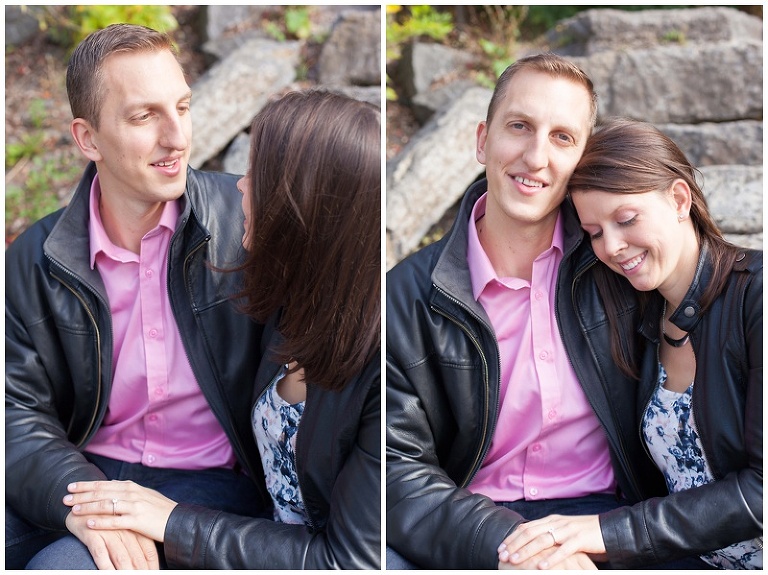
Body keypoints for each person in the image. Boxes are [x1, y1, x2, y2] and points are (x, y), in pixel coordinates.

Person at [385, 52, 707, 570]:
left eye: (563, 137)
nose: (536, 157)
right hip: (469, 525)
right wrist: (515, 547)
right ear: (481, 140)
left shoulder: (620, 267)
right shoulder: (406, 296)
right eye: (519, 126)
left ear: (583, 160)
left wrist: (601, 539)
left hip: (607, 522)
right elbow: (394, 470)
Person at [46, 90, 382, 569]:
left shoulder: (384, 363)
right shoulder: (292, 303)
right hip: (246, 539)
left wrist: (172, 521)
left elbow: (350, 561)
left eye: (259, 176)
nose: (241, 186)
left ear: (306, 205)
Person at [6, 24, 268, 569]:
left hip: (208, 487)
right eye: (144, 116)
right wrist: (79, 494)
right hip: (80, 467)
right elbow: (14, 413)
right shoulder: (35, 258)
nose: (177, 137)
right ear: (88, 139)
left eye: (182, 107)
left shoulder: (246, 225)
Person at [496, 118, 762, 570]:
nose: (613, 247)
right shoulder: (640, 315)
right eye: (596, 232)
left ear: (679, 199)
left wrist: (607, 532)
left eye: (626, 219)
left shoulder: (757, 297)